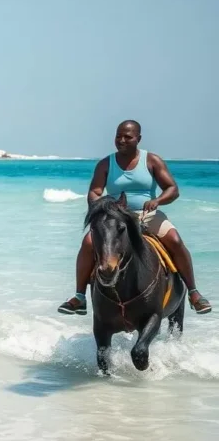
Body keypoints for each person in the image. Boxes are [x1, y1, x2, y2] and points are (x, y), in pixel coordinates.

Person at [58, 120, 211, 315]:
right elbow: (94, 192)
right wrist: (104, 208)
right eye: (118, 136)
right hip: (114, 218)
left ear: (138, 138)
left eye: (127, 137)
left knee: (174, 239)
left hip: (147, 215)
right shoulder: (106, 163)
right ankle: (79, 296)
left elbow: (172, 189)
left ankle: (193, 293)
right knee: (88, 243)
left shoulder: (151, 161)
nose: (122, 140)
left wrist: (158, 201)